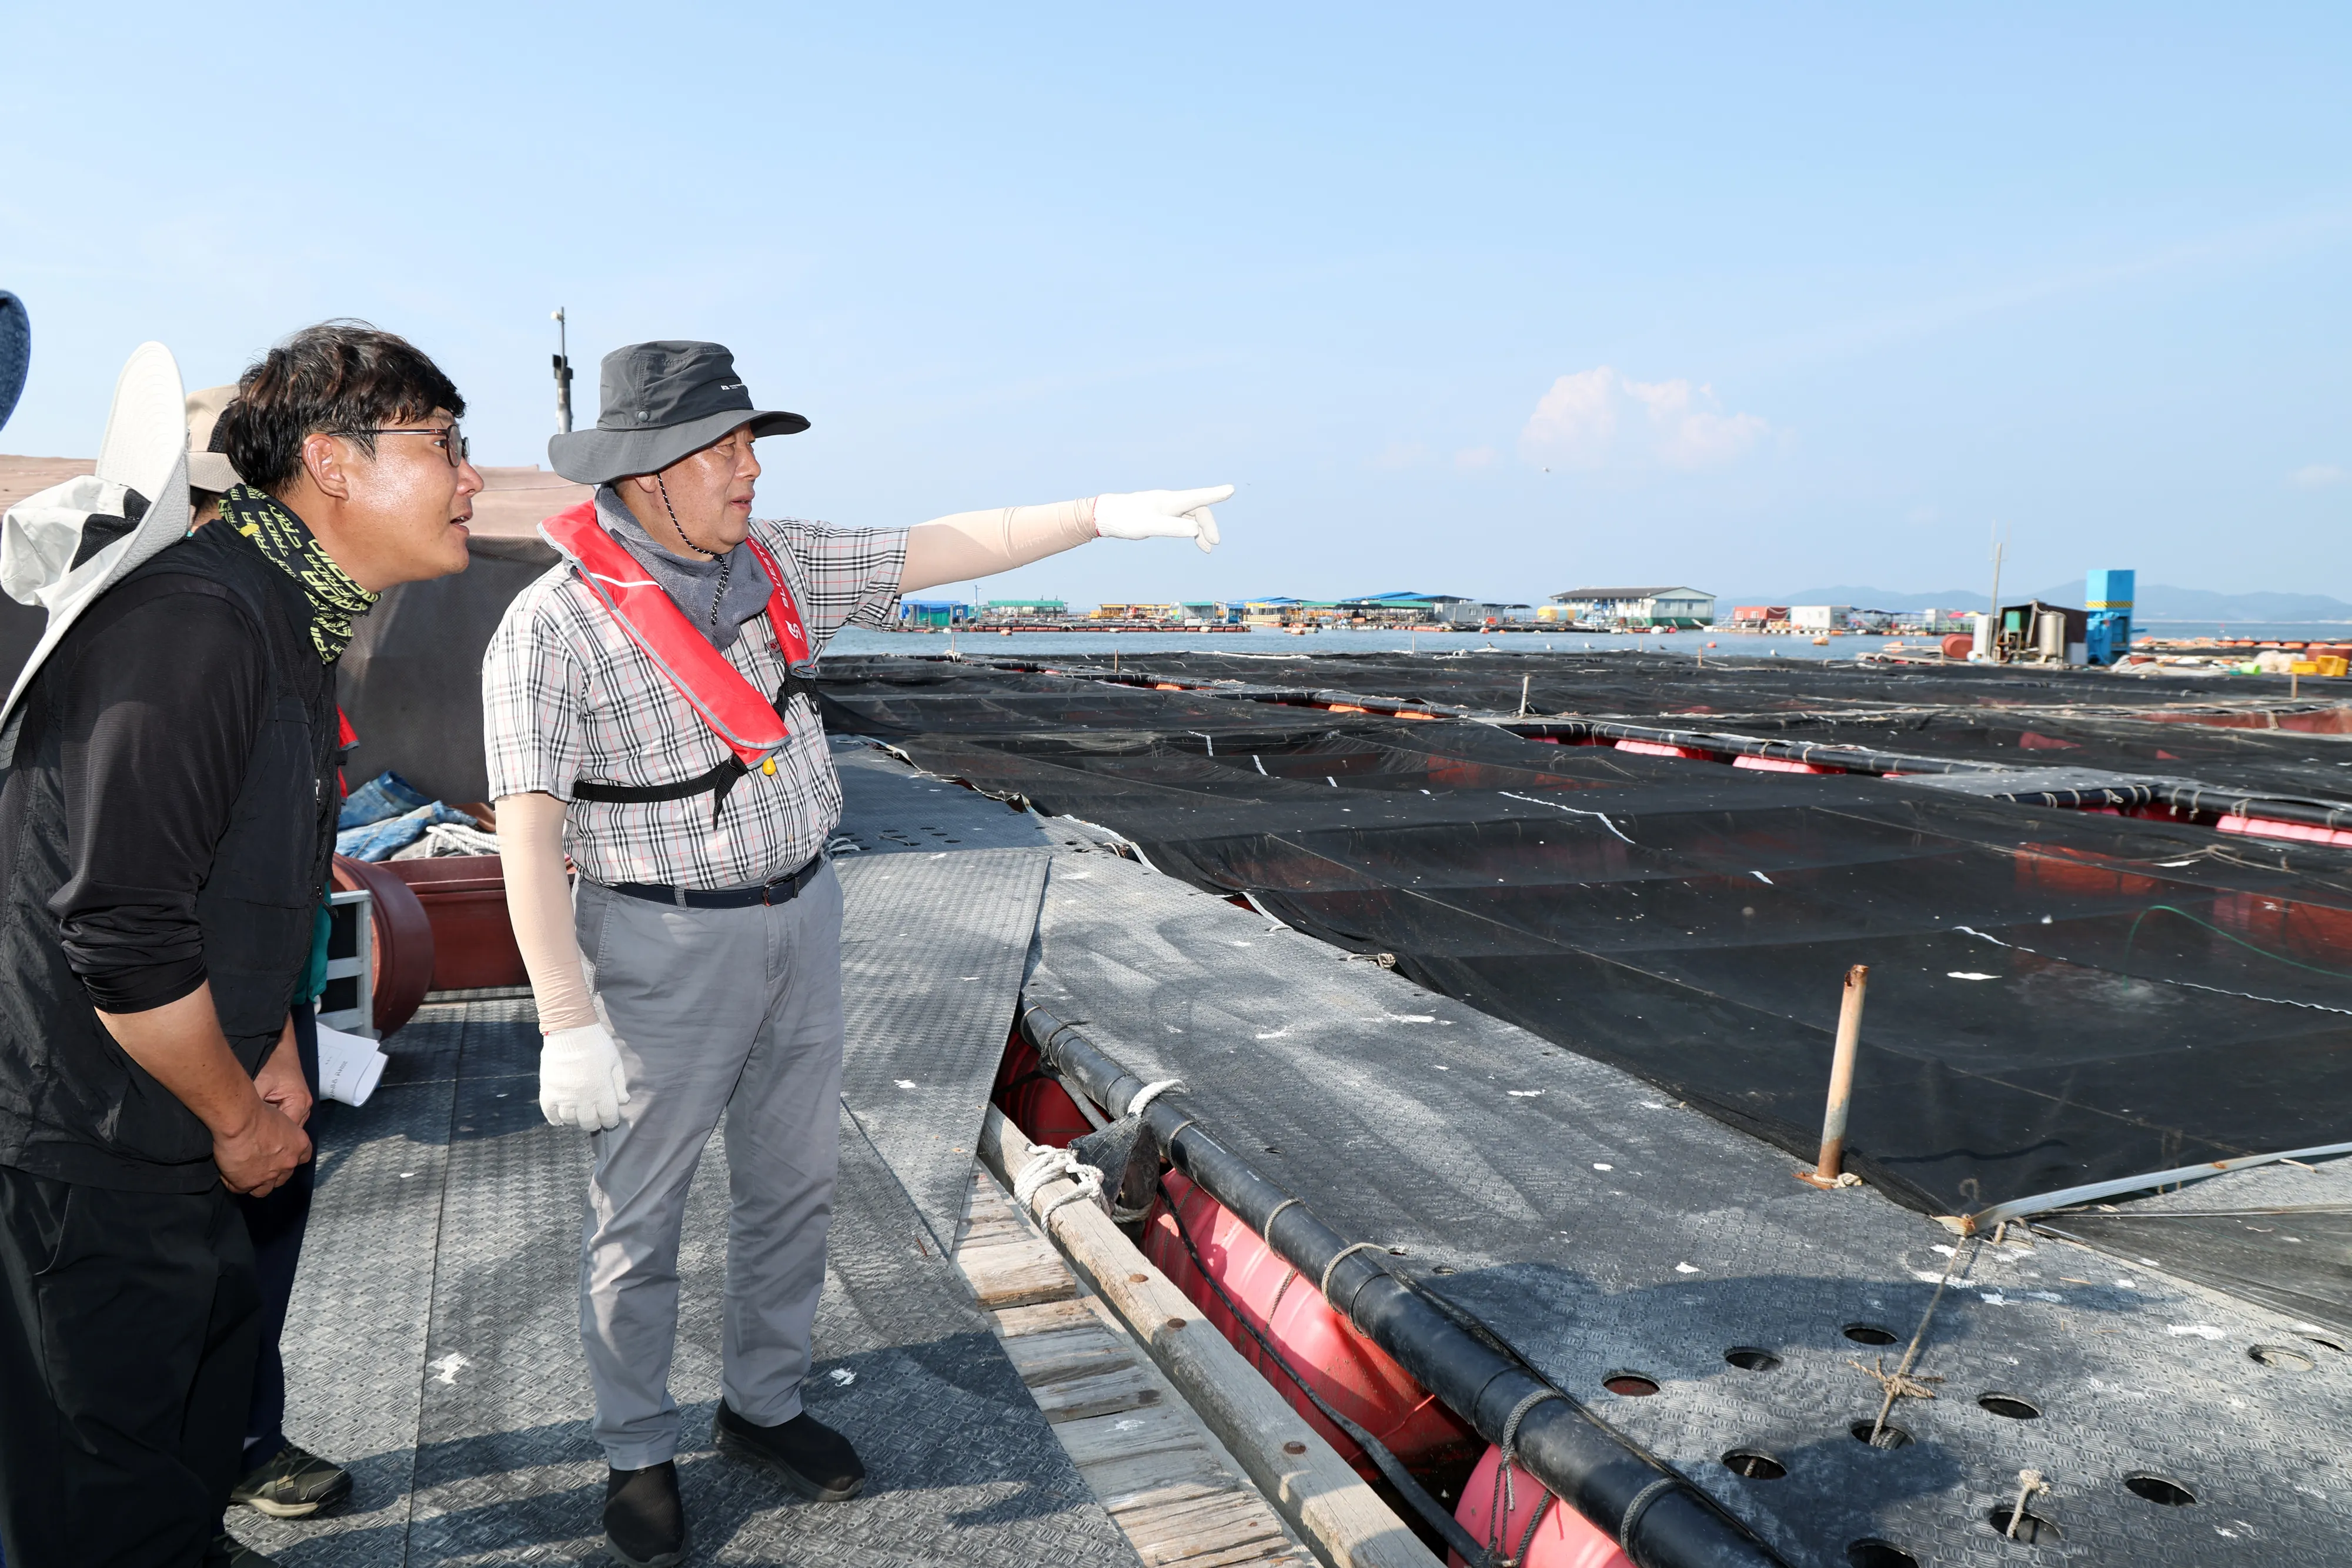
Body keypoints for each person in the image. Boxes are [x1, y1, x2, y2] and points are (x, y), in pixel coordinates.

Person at [483, 340, 1227, 1568]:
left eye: (751, 444)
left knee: (793, 1181)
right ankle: (634, 1450)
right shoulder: (550, 625)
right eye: (724, 450)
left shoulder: (775, 559)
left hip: (803, 915)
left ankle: (762, 1402)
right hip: (659, 936)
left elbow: (942, 545)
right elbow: (525, 828)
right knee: (641, 1209)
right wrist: (567, 1014)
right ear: (651, 470)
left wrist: (1099, 515)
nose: (749, 471)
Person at [0, 323, 479, 1568]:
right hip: (96, 1137)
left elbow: (244, 880)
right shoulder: (198, 621)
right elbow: (122, 925)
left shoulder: (291, 613)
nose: (470, 476)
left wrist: (269, 1048)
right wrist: (239, 1116)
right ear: (330, 461)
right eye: (444, 443)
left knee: (191, 1444)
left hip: (183, 1114)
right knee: (104, 1491)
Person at [185, 386, 358, 1533]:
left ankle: (240, 1449)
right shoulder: (186, 641)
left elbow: (296, 851)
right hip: (180, 1025)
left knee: (260, 1244)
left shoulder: (299, 634)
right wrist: (241, 1065)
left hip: (266, 1006)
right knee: (171, 1278)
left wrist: (292, 1029)